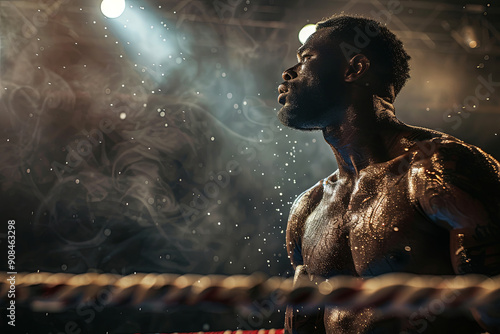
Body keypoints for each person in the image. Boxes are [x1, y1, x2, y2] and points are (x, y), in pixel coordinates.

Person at [277, 14, 500, 333]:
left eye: (307, 58)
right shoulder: (307, 208)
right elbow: (303, 326)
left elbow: (494, 313)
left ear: (354, 69)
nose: (288, 72)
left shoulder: (438, 168)